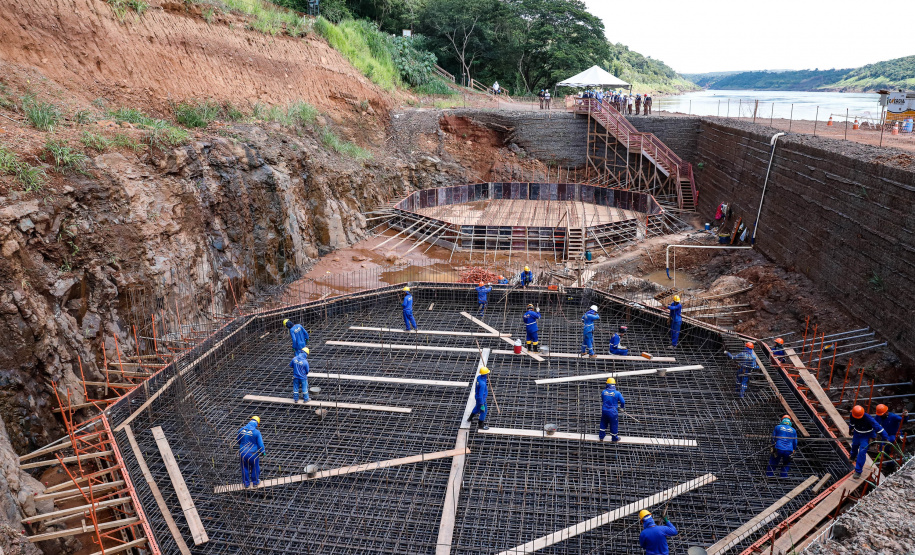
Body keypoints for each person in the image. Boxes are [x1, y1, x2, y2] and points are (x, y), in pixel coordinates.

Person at [848, 404, 890, 479]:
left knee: (862, 452)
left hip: (866, 435)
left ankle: (858, 471)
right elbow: (852, 423)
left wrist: (885, 437)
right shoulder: (853, 415)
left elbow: (877, 427)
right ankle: (853, 457)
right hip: (857, 433)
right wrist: (850, 429)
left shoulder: (868, 418)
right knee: (854, 446)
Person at [237, 416, 265, 488]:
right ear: (257, 423)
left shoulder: (241, 430)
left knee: (244, 468)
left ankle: (246, 484)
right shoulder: (256, 432)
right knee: (255, 467)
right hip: (253, 453)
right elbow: (260, 444)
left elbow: (238, 441)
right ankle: (255, 482)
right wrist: (263, 451)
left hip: (242, 453)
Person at [599, 377, 625, 442]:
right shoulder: (617, 393)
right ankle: (614, 438)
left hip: (604, 411)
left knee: (603, 422)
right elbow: (623, 402)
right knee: (613, 424)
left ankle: (601, 437)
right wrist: (621, 407)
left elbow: (603, 400)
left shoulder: (603, 392)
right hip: (613, 412)